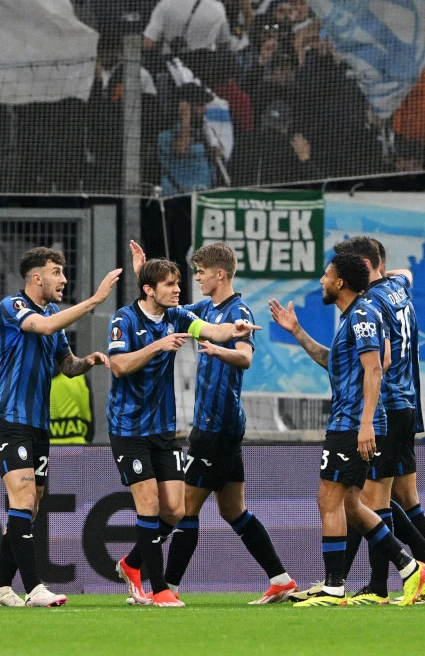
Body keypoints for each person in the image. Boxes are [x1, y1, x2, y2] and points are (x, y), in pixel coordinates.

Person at [129, 241, 298, 604]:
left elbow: (245, 359)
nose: (197, 279)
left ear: (219, 274)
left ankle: (165, 586)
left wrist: (219, 349)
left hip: (216, 425)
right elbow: (162, 307)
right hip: (221, 425)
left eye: (201, 273)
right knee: (233, 509)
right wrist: (143, 274)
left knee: (184, 508)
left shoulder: (239, 310)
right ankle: (281, 579)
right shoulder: (206, 308)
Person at [268, 252, 425, 607]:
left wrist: (365, 425)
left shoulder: (362, 315)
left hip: (352, 423)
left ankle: (335, 587)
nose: (321, 281)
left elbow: (376, 369)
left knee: (329, 499)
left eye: (326, 275)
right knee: (350, 502)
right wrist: (297, 332)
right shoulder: (353, 316)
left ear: (340, 282)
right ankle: (410, 567)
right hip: (348, 421)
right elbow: (336, 362)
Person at [109, 258, 258, 607]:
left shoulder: (177, 316)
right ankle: (159, 589)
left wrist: (234, 330)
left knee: (174, 510)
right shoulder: (124, 319)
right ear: (149, 289)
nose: (179, 290)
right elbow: (118, 365)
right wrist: (156, 346)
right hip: (128, 429)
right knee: (149, 506)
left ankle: (131, 565)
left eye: (178, 284)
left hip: (163, 429)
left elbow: (210, 330)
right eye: (171, 285)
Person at [0, 248, 122, 609]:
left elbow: (67, 365)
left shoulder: (53, 314)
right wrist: (95, 300)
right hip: (9, 417)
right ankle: (33, 588)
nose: (63, 279)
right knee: (23, 498)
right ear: (36, 278)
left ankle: (1, 588)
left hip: (37, 423)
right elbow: (42, 327)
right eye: (57, 272)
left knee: (30, 507)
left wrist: (87, 361)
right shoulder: (12, 307)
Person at [329, 237, 425, 606]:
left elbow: (385, 360)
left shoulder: (371, 303)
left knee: (371, 499)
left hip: (387, 405)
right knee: (406, 498)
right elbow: (406, 272)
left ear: (363, 265)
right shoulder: (397, 286)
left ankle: (381, 584)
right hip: (410, 403)